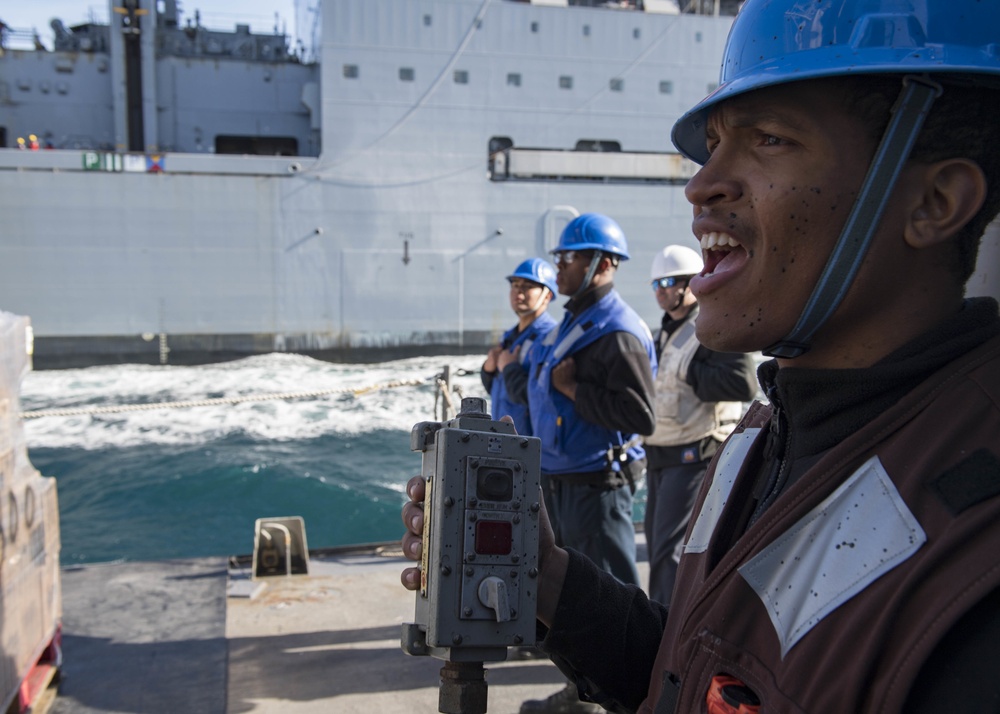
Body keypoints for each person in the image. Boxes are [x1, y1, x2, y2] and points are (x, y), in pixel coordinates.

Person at [404, 1, 1000, 711]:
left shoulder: (974, 559)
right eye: (712, 145)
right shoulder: (757, 441)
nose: (699, 186)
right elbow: (698, 670)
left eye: (771, 139)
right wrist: (551, 580)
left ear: (934, 202)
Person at [510, 213, 657, 713]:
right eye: (560, 257)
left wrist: (573, 389)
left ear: (603, 264)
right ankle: (585, 692)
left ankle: (631, 699)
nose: (560, 266)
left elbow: (641, 415)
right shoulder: (577, 320)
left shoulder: (617, 331)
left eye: (568, 257)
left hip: (598, 481)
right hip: (566, 477)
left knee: (609, 595)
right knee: (573, 593)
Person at [642, 244, 756, 605]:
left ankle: (666, 637)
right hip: (660, 454)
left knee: (670, 553)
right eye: (656, 284)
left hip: (694, 453)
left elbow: (743, 383)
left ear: (691, 284)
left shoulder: (712, 325)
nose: (661, 290)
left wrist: (693, 371)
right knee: (659, 545)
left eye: (668, 282)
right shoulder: (666, 331)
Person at [481, 257, 558, 436]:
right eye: (515, 285)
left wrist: (509, 367)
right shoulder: (511, 336)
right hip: (503, 439)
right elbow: (499, 388)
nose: (519, 292)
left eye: (528, 286)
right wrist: (488, 370)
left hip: (529, 444)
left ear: (547, 295)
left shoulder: (550, 339)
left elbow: (539, 397)